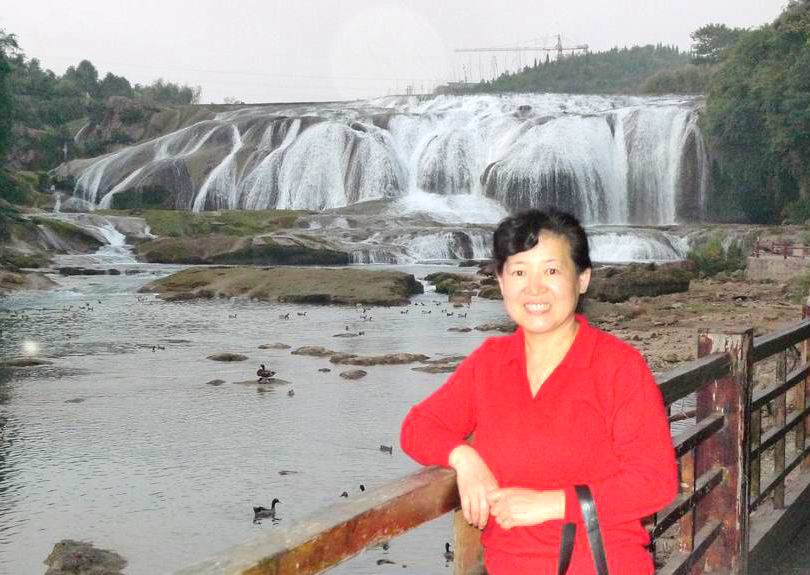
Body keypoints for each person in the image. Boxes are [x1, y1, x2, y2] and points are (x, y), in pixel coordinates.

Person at [400, 208, 678, 574]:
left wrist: (552, 504)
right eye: (519, 272)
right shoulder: (490, 364)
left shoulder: (618, 367)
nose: (534, 288)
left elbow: (655, 482)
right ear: (501, 282)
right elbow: (417, 427)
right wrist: (464, 458)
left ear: (582, 279)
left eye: (551, 271)